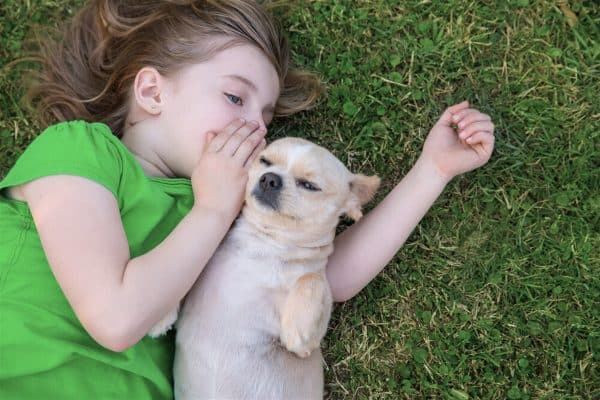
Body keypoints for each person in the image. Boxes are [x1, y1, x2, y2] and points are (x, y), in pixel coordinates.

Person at [0, 0, 495, 398]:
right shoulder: (79, 151)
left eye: (266, 117)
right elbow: (116, 318)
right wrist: (212, 210)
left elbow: (330, 274)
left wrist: (433, 170)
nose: (256, 127)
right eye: (235, 98)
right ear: (152, 92)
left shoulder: (229, 204)